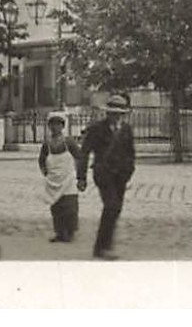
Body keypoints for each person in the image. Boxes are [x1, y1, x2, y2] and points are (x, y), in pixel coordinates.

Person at [77, 93, 136, 260]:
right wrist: (81, 177)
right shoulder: (96, 129)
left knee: (116, 209)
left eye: (119, 113)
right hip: (103, 174)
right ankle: (101, 247)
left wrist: (129, 171)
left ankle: (104, 245)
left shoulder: (126, 129)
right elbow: (84, 153)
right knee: (110, 206)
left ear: (123, 114)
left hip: (121, 176)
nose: (116, 116)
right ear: (107, 113)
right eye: (113, 112)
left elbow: (131, 153)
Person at [39, 112, 84, 243]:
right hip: (53, 179)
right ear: (49, 126)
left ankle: (70, 232)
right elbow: (41, 160)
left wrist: (79, 175)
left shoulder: (69, 142)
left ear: (63, 126)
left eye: (58, 124)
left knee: (70, 205)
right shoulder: (47, 144)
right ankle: (59, 232)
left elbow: (79, 156)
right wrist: (45, 172)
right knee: (56, 206)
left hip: (68, 179)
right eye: (52, 124)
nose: (55, 127)